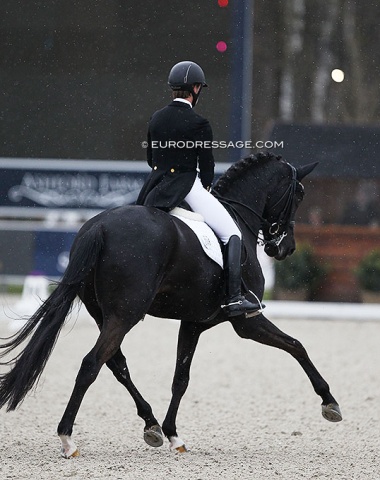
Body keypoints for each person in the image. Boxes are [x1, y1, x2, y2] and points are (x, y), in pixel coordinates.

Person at [136, 60, 261, 317]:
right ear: (195, 88)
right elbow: (206, 166)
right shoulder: (198, 123)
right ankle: (234, 299)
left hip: (154, 188)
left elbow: (151, 159)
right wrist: (205, 186)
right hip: (186, 186)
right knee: (232, 233)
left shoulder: (156, 118)